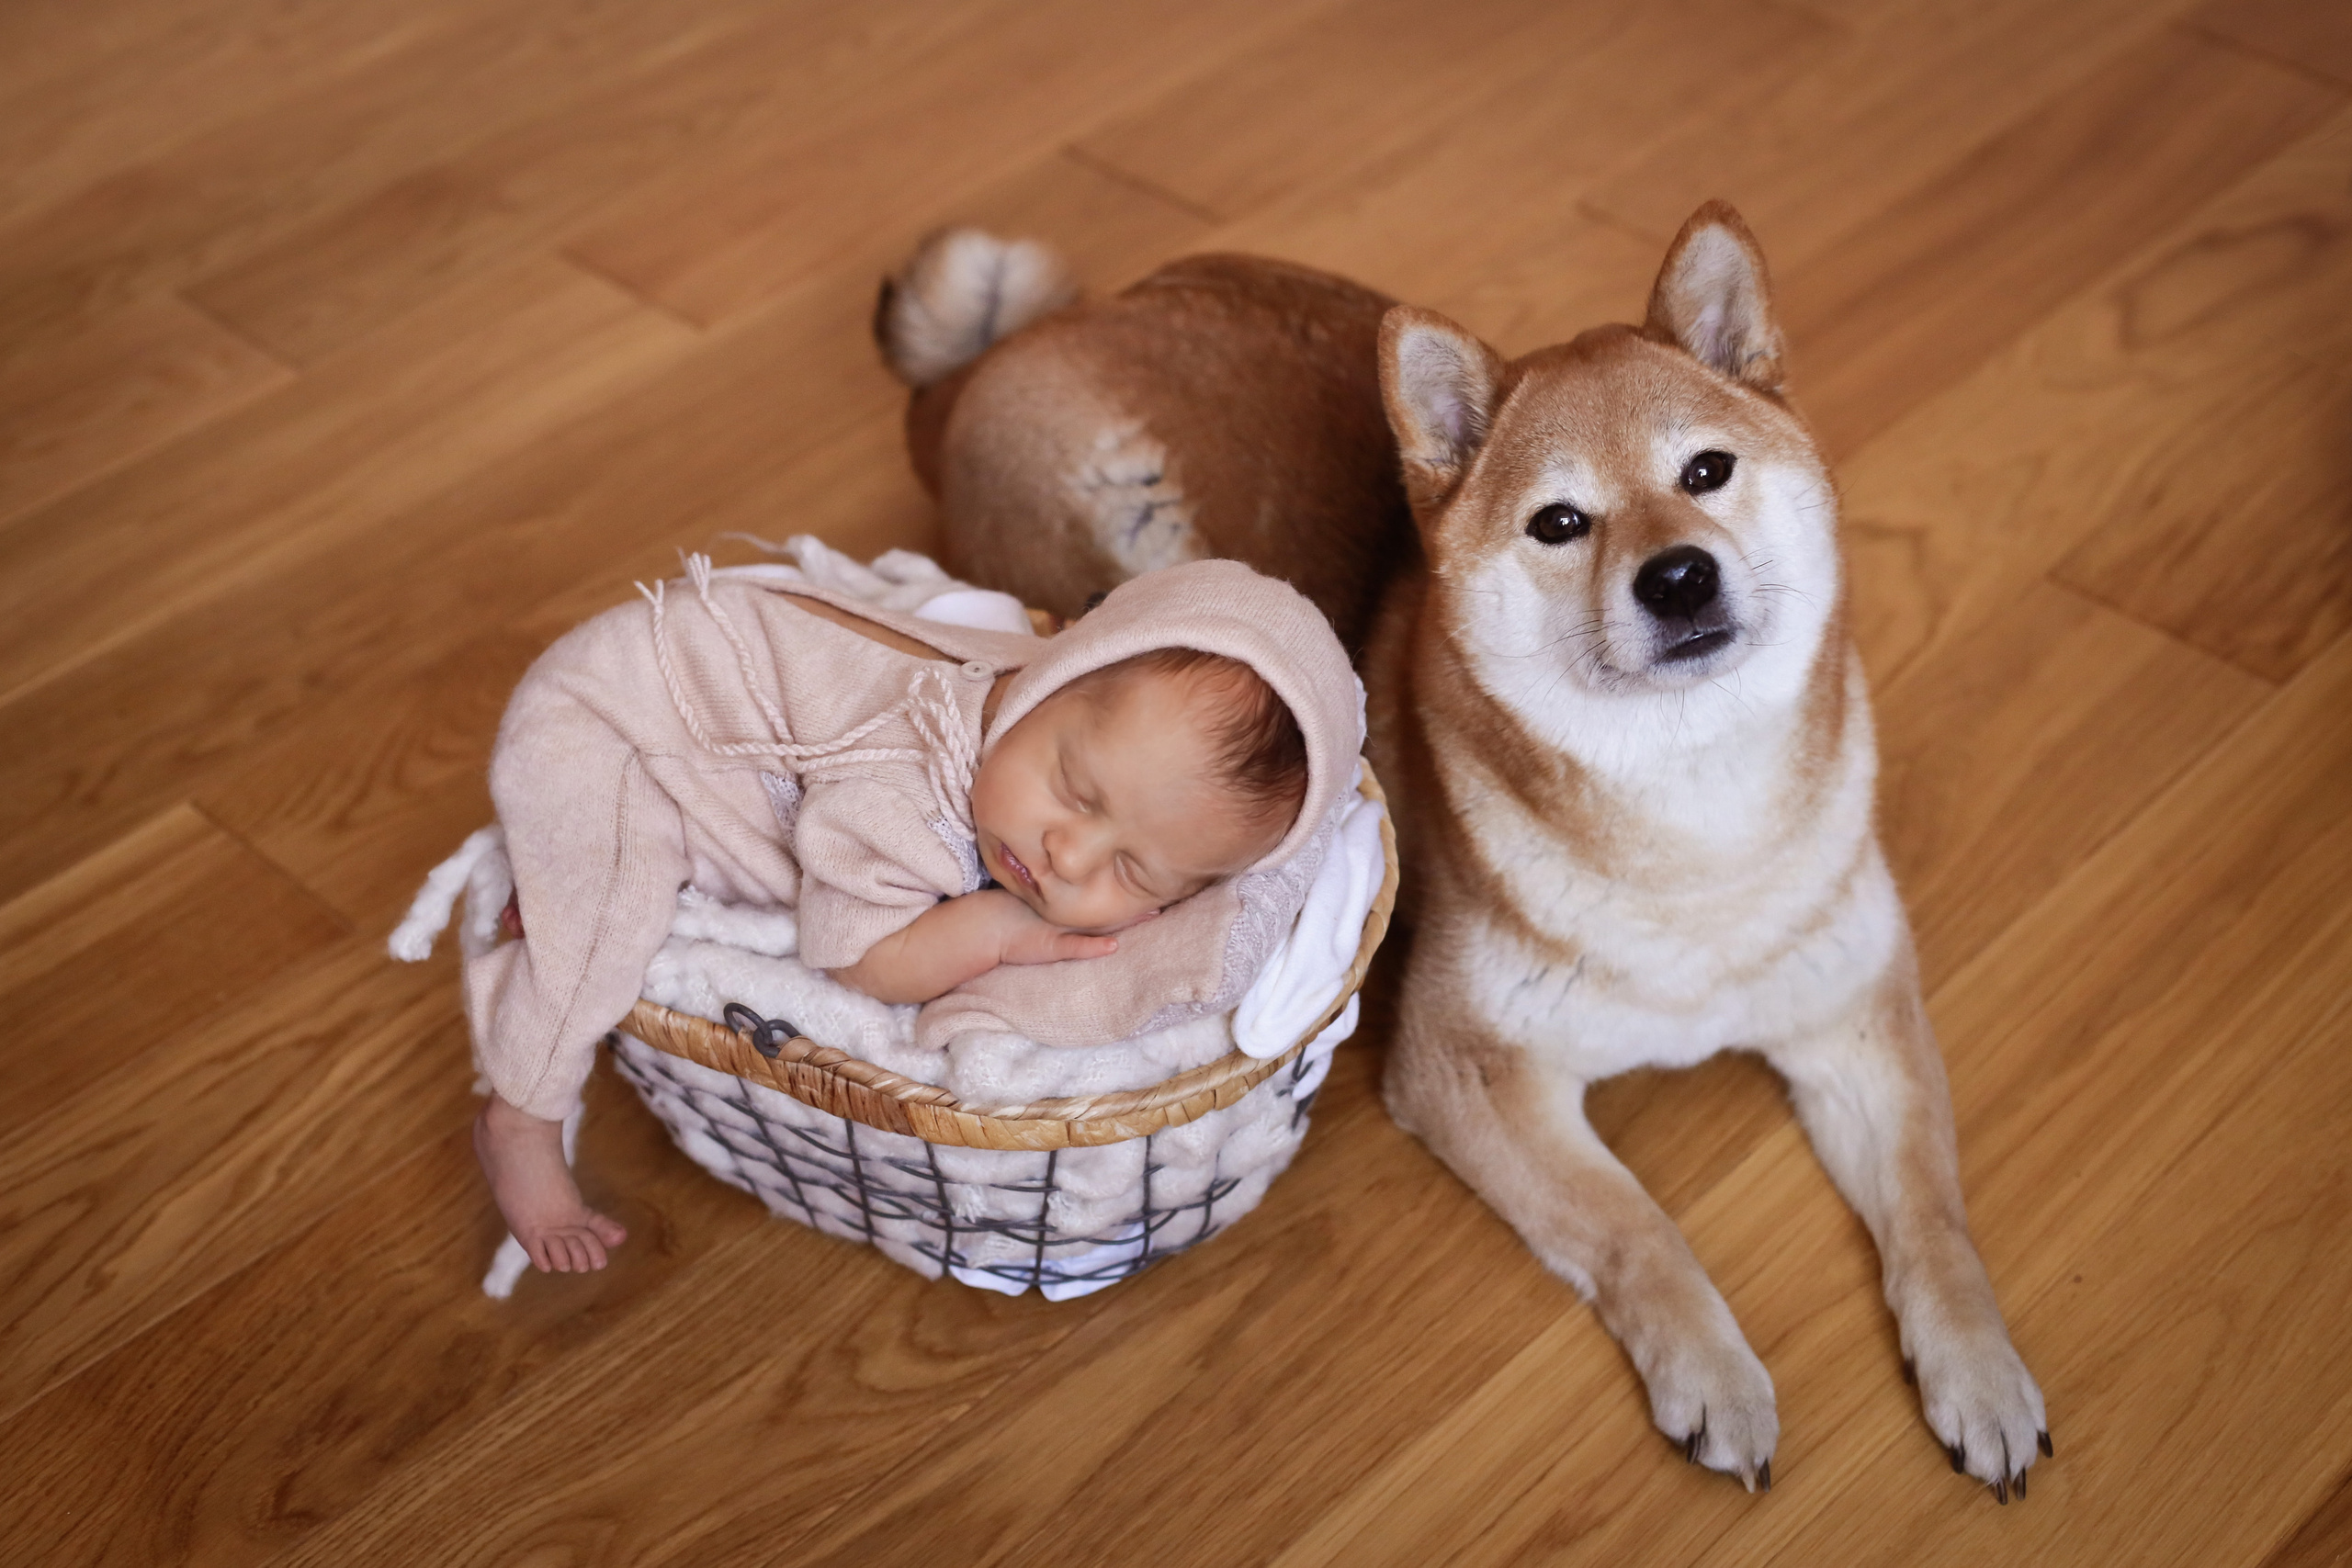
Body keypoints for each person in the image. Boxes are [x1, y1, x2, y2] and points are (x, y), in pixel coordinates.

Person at [461, 557, 1360, 1276]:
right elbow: (857, 959)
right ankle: (521, 1116)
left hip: (705, 683)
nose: (1067, 856)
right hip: (616, 726)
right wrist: (995, 932)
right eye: (1073, 790)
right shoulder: (906, 794)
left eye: (1133, 868)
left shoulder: (1057, 728)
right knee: (596, 936)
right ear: (1047, 682)